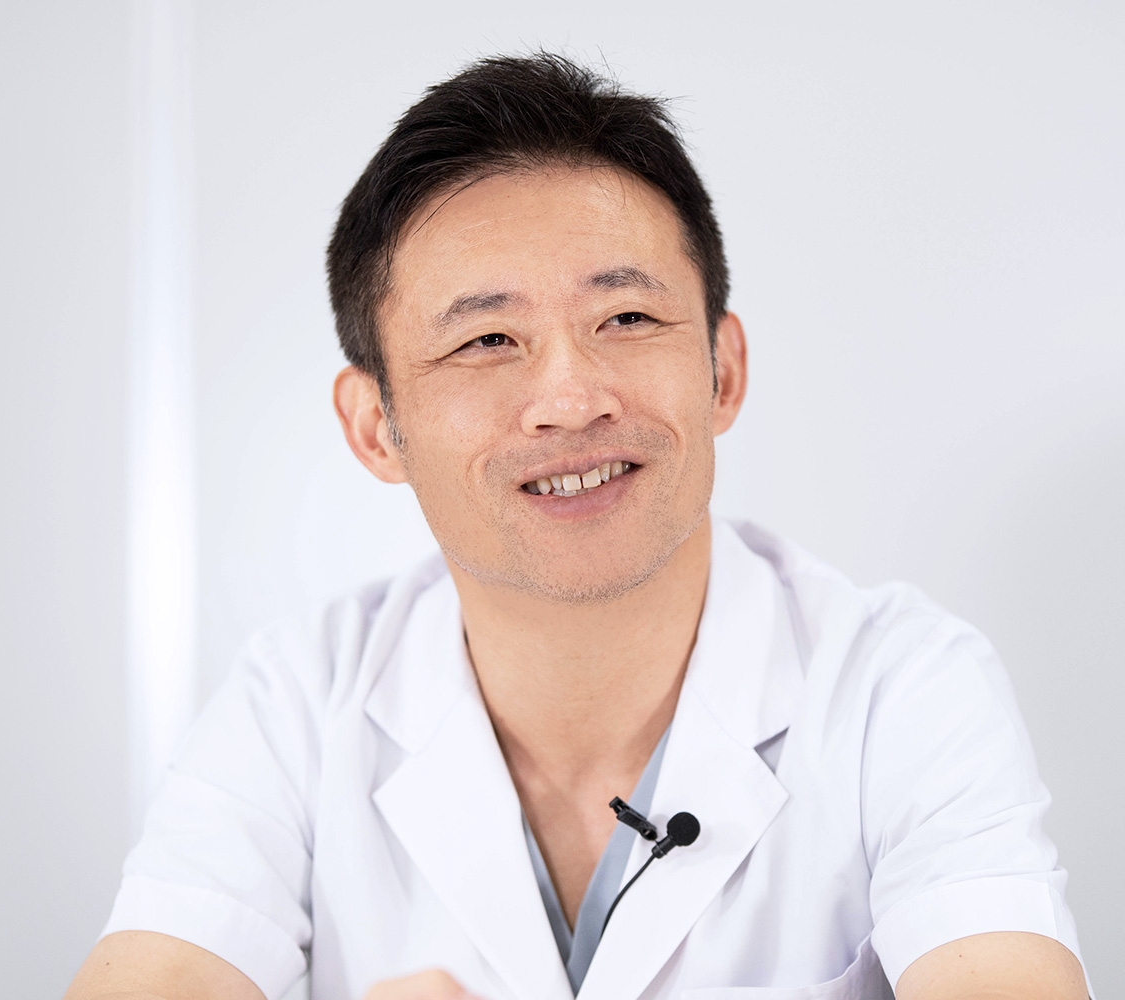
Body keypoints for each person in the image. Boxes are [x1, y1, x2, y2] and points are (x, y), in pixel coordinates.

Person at [63, 54, 1089, 1000]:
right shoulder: (297, 703)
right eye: (486, 339)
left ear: (723, 370)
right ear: (374, 426)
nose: (568, 399)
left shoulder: (899, 688)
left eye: (626, 319)